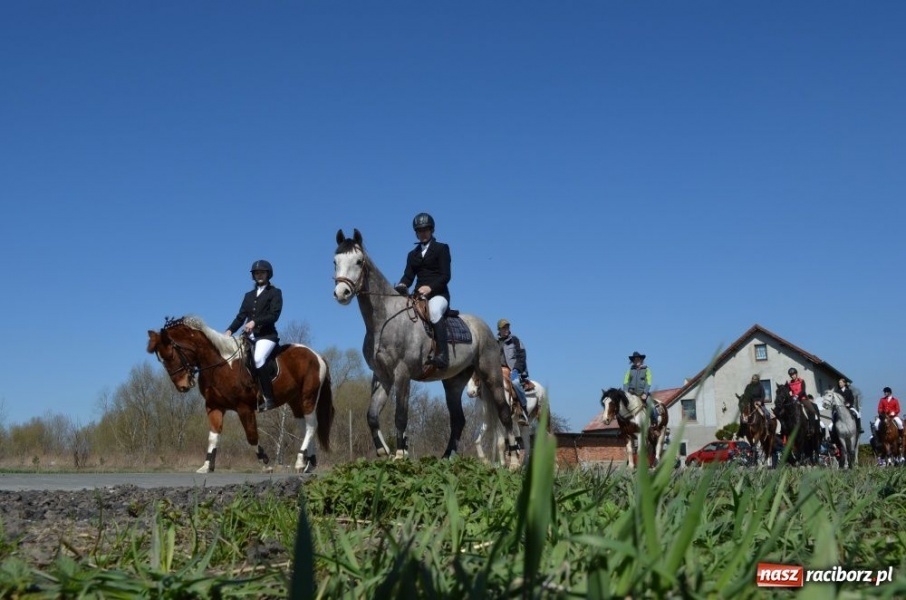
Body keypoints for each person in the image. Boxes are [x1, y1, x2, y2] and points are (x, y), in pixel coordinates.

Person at [394, 212, 452, 369]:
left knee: (433, 311)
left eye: (425, 230)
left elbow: (446, 276)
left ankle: (443, 356)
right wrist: (402, 285)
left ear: (431, 230)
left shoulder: (442, 248)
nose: (423, 233)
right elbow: (408, 276)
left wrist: (430, 288)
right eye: (419, 230)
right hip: (418, 296)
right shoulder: (412, 255)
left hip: (439, 294)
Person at [226, 260, 283, 411]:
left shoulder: (275, 293)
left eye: (262, 273)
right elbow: (241, 317)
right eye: (257, 273)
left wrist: (255, 322)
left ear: (268, 274)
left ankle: (269, 398)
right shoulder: (248, 296)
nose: (259, 275)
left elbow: (274, 315)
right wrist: (229, 331)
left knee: (258, 358)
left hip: (266, 336)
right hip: (249, 337)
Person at [497, 319, 530, 424]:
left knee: (515, 382)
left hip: (514, 369)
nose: (506, 329)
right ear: (499, 329)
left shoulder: (515, 340)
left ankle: (523, 410)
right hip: (499, 370)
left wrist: (516, 369)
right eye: (504, 328)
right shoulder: (495, 343)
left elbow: (522, 356)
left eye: (507, 327)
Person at [623, 351, 659, 425]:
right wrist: (625, 392)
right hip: (632, 394)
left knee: (651, 406)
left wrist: (645, 393)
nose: (637, 361)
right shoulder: (630, 370)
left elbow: (648, 382)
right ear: (633, 361)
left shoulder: (647, 369)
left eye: (638, 359)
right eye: (635, 360)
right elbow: (625, 381)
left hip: (643, 393)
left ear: (641, 360)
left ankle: (654, 422)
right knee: (623, 406)